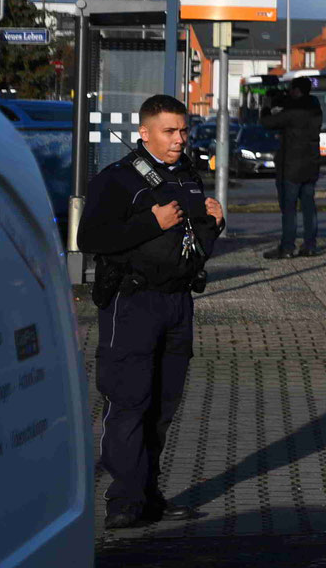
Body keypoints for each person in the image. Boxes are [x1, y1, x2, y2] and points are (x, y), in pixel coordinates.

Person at [77, 93, 225, 529]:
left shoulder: (187, 176)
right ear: (145, 133)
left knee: (163, 405)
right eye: (170, 131)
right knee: (129, 402)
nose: (180, 139)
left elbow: (192, 247)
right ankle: (124, 501)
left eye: (184, 130)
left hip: (177, 303)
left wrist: (215, 225)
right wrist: (150, 223)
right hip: (133, 303)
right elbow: (92, 238)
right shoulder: (118, 180)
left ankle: (149, 494)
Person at [260, 78, 323, 257]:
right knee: (309, 207)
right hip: (311, 165)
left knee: (289, 209)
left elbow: (267, 122)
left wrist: (267, 105)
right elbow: (296, 104)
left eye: (291, 89)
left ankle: (287, 247)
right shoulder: (315, 107)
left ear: (296, 91)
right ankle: (310, 245)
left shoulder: (294, 112)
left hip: (291, 167)